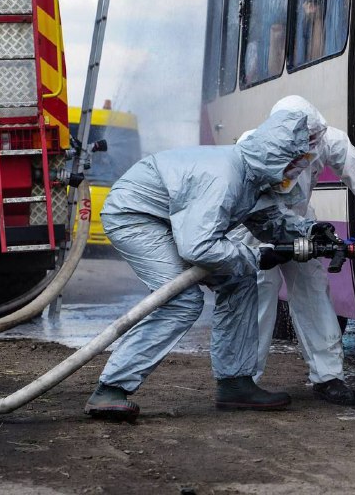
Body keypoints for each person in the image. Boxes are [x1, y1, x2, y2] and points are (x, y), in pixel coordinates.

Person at [84, 109, 317, 421]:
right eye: (292, 163)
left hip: (169, 218)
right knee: (182, 299)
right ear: (275, 155)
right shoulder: (227, 177)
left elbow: (268, 220)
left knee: (240, 281)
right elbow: (198, 247)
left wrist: (309, 233)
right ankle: (110, 388)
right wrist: (256, 257)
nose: (293, 172)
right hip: (135, 216)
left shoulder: (252, 175)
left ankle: (235, 383)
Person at [234, 96, 355, 406]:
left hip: (299, 223)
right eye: (305, 140)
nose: (311, 146)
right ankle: (243, 380)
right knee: (258, 295)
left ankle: (328, 377)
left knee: (313, 293)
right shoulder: (252, 146)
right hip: (254, 225)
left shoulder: (326, 139)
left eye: (315, 138)